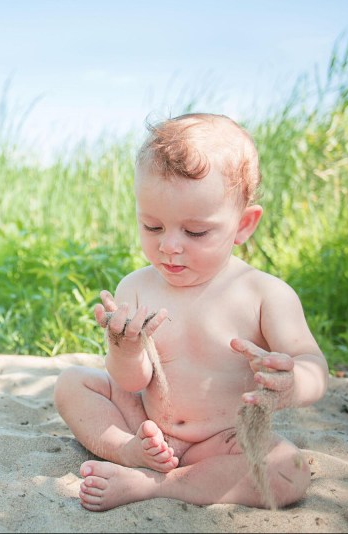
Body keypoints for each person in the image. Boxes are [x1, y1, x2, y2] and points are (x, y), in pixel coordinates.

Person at [54, 113, 329, 511]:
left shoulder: (265, 294)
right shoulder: (136, 286)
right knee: (72, 383)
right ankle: (128, 452)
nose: (169, 246)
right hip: (145, 426)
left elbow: (313, 365)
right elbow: (132, 382)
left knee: (289, 471)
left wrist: (292, 383)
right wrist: (125, 348)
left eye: (195, 232)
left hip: (221, 441)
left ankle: (157, 484)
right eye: (152, 226)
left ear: (244, 225)